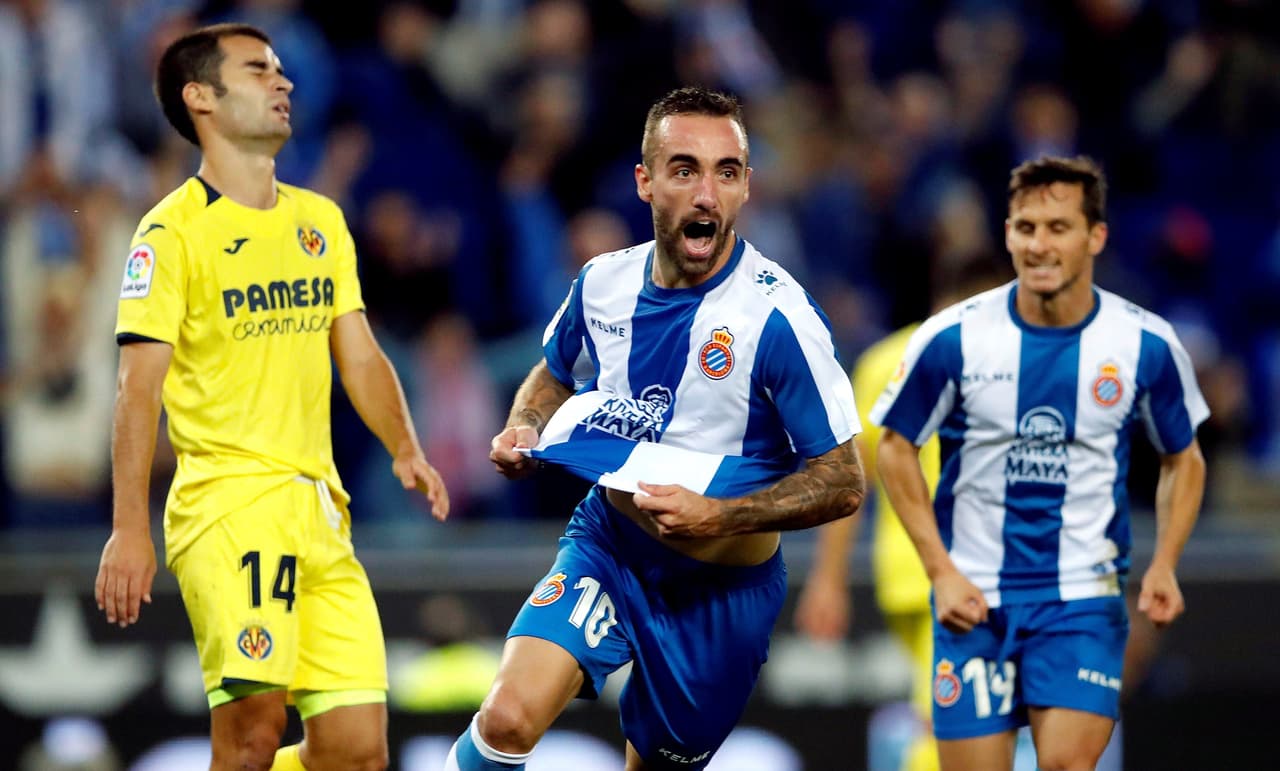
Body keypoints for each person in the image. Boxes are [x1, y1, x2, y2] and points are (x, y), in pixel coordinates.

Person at [444, 86, 866, 771]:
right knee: (507, 718)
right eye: (684, 169)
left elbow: (843, 480)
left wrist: (719, 514)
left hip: (720, 598)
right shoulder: (603, 281)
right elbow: (554, 371)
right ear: (645, 181)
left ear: (746, 186)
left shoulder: (778, 319)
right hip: (610, 547)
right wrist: (524, 424)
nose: (707, 193)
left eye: (726, 171)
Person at [92, 23, 449, 771]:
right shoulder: (170, 233)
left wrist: (404, 446)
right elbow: (137, 389)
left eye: (282, 70)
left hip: (321, 508)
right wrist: (129, 527)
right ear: (202, 99)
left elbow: (359, 355)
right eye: (258, 70)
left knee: (355, 751)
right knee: (253, 732)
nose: (283, 82)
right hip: (230, 503)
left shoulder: (320, 221)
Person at [872, 155, 1208, 771]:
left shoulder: (1145, 343)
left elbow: (1183, 459)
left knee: (1065, 765)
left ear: (1095, 236)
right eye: (1026, 228)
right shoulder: (952, 338)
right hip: (973, 600)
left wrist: (1164, 563)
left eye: (1058, 227)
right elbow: (893, 447)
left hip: (1080, 598)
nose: (1040, 244)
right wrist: (938, 569)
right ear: (1007, 234)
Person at [795, 253, 1011, 771]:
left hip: (920, 572)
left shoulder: (885, 358)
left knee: (965, 713)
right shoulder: (980, 359)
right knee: (953, 718)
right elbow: (853, 480)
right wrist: (827, 579)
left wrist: (830, 579)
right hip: (946, 574)